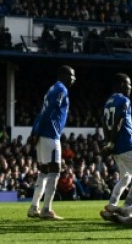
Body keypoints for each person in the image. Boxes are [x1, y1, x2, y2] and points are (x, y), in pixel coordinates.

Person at [27, 65, 76, 220]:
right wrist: (37, 131)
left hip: (43, 134)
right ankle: (47, 209)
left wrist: (35, 132)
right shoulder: (61, 89)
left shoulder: (52, 89)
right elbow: (48, 113)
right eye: (71, 75)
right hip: (50, 135)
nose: (73, 79)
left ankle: (34, 207)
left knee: (43, 172)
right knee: (55, 171)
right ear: (63, 75)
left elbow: (42, 111)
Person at [102, 73, 132, 213]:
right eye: (128, 85)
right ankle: (127, 208)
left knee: (125, 178)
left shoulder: (108, 101)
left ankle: (112, 205)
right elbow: (119, 121)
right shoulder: (124, 100)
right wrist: (112, 141)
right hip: (126, 145)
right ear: (122, 85)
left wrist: (108, 142)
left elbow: (105, 123)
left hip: (117, 148)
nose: (130, 88)